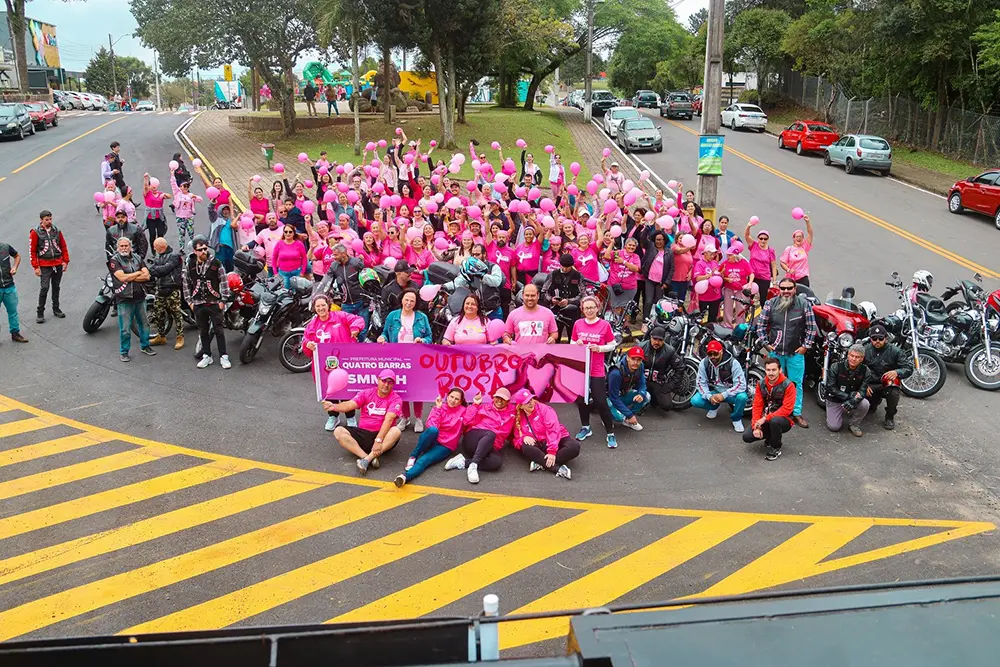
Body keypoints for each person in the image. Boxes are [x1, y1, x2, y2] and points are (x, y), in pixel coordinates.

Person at [755, 276, 818, 428]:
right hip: (775, 353)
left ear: (795, 289)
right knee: (772, 383)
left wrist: (805, 346)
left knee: (796, 384)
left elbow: (812, 328)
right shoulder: (771, 304)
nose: (786, 291)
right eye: (783, 288)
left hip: (795, 353)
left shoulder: (804, 304)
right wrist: (766, 344)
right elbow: (761, 326)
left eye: (789, 288)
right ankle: (772, 411)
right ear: (779, 289)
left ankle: (796, 413)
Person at [302, 293, 365, 431]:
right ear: (314, 308)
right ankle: (333, 416)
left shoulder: (340, 316)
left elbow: (358, 320)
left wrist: (355, 329)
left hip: (344, 361)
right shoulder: (312, 325)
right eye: (317, 306)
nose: (321, 308)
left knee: (346, 390)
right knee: (329, 392)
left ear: (328, 305)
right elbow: (306, 343)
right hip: (324, 366)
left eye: (323, 305)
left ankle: (350, 417)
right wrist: (308, 345)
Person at [326, 369, 403, 474]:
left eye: (390, 382)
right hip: (364, 434)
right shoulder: (366, 393)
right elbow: (349, 405)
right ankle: (366, 457)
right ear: (378, 380)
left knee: (396, 431)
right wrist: (334, 406)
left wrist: (378, 440)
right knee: (338, 431)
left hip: (383, 438)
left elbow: (389, 420)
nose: (386, 385)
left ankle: (367, 460)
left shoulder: (396, 399)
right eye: (384, 381)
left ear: (393, 384)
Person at [378, 288, 432, 433]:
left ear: (416, 303)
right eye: (406, 299)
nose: (408, 303)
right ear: (401, 300)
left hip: (416, 358)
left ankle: (419, 418)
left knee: (416, 388)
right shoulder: (392, 316)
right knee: (401, 388)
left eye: (412, 301)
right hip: (397, 359)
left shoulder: (421, 317)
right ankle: (405, 416)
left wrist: (422, 340)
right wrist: (382, 337)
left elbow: (429, 336)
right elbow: (385, 332)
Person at [394, 388, 467, 487]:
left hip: (445, 446)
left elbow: (470, 420)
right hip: (433, 438)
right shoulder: (440, 407)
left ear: (460, 402)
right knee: (433, 430)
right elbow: (431, 425)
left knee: (424, 460)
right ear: (447, 396)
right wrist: (438, 409)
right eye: (451, 397)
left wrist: (475, 405)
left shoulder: (464, 411)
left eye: (456, 399)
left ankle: (404, 477)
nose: (453, 400)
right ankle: (413, 455)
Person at [572, 295, 618, 448]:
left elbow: (612, 344)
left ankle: (610, 432)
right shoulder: (578, 324)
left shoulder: (604, 325)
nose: (589, 310)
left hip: (596, 369)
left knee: (600, 401)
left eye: (592, 307)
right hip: (581, 369)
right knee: (581, 400)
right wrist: (577, 344)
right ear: (582, 310)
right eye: (586, 308)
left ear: (597, 308)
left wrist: (599, 348)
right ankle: (586, 427)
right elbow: (572, 342)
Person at [444, 388, 515, 483]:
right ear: (493, 398)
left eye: (503, 399)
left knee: (497, 462)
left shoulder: (512, 413)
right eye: (497, 397)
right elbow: (466, 421)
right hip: (472, 439)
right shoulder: (484, 407)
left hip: (489, 446)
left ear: (508, 401)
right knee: (491, 434)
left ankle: (462, 462)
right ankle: (473, 466)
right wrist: (475, 405)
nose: (499, 401)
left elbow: (514, 431)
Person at [182, 235, 231, 369]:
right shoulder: (190, 264)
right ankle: (206, 355)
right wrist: (189, 302)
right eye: (200, 249)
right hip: (198, 304)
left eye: (205, 249)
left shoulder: (216, 263)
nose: (204, 251)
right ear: (195, 251)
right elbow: (185, 282)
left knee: (218, 330)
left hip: (214, 303)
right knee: (203, 331)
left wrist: (223, 300)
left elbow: (224, 281)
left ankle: (223, 356)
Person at [511, 389, 580, 479]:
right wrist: (523, 438)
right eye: (527, 402)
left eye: (531, 399)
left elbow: (553, 430)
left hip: (556, 439)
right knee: (525, 447)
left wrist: (552, 451)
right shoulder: (518, 417)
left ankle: (541, 461)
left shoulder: (544, 409)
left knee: (574, 447)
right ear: (521, 406)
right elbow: (516, 439)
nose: (531, 403)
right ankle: (556, 468)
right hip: (539, 443)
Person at [108, 237, 154, 362]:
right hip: (124, 299)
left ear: (130, 246)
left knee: (144, 324)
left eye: (126, 246)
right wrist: (137, 274)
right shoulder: (114, 260)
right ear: (118, 248)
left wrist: (131, 277)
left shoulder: (138, 258)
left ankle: (145, 346)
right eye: (121, 246)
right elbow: (122, 278)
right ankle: (124, 352)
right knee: (125, 328)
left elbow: (147, 275)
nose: (124, 248)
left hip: (140, 297)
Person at [743, 357, 796, 460]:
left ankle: (776, 447)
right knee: (747, 437)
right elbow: (757, 406)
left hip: (784, 419)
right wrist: (756, 426)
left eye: (774, 370)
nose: (771, 373)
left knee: (774, 421)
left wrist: (764, 419)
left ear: (780, 370)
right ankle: (770, 436)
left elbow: (787, 409)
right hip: (765, 417)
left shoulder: (789, 385)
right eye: (768, 370)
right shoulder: (761, 383)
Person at [863, 324, 913, 430]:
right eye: (874, 338)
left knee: (894, 391)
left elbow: (909, 368)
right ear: (870, 339)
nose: (877, 341)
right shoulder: (865, 350)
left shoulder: (895, 351)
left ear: (886, 338)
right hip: (870, 382)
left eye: (880, 338)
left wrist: (897, 372)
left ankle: (890, 417)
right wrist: (863, 384)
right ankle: (873, 403)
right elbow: (856, 368)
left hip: (886, 384)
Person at [692, 340, 748, 432]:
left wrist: (724, 395)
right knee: (695, 400)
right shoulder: (704, 362)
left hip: (730, 392)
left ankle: (736, 418)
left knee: (742, 397)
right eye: (710, 354)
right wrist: (709, 396)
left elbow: (741, 385)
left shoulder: (733, 363)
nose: (713, 357)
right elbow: (700, 383)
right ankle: (714, 406)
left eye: (716, 354)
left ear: (721, 351)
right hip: (714, 392)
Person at [29, 210, 69, 324]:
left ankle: (56, 308)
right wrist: (35, 267)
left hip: (57, 263)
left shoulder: (57, 231)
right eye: (46, 219)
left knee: (56, 287)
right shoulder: (35, 232)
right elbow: (32, 251)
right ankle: (40, 312)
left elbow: (63, 245)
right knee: (44, 288)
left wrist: (65, 261)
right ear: (41, 220)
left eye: (50, 219)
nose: (49, 221)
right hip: (44, 265)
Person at [825, 343, 872, 436]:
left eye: (857, 357)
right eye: (851, 355)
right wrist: (847, 397)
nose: (853, 359)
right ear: (848, 355)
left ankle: (854, 424)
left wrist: (854, 401)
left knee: (865, 404)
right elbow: (830, 387)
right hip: (835, 399)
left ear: (862, 358)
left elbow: (863, 390)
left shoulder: (866, 371)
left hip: (852, 398)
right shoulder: (836, 366)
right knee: (834, 427)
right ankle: (835, 412)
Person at [326, 244, 371, 340]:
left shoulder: (356, 263)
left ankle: (362, 350)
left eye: (336, 255)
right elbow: (327, 280)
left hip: (361, 302)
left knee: (363, 329)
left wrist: (367, 298)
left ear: (344, 254)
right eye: (333, 255)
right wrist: (322, 293)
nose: (334, 257)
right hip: (346, 304)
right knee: (346, 330)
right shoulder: (334, 266)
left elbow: (368, 280)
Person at [147, 238, 186, 350]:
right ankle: (161, 336)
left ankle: (180, 337)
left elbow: (165, 269)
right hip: (160, 288)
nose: (153, 248)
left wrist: (156, 270)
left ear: (161, 246)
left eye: (155, 246)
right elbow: (154, 269)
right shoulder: (158, 256)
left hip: (172, 288)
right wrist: (156, 270)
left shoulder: (174, 256)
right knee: (158, 313)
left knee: (176, 313)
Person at [638, 326, 682, 413]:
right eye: (655, 339)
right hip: (641, 381)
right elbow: (628, 361)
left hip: (658, 382)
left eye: (660, 340)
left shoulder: (670, 350)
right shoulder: (641, 346)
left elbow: (680, 368)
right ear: (650, 337)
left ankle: (653, 398)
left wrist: (670, 385)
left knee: (667, 405)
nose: (657, 342)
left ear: (664, 340)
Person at [607, 346, 649, 431]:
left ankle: (628, 419)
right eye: (633, 359)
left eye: (639, 360)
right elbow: (614, 398)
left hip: (623, 394)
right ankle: (607, 417)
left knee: (646, 396)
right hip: (609, 399)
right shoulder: (616, 373)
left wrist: (641, 394)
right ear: (627, 358)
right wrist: (629, 414)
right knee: (616, 413)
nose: (636, 362)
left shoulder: (640, 366)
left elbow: (642, 384)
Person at [542, 253, 582, 342]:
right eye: (563, 266)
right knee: (554, 338)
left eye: (567, 267)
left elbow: (582, 295)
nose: (565, 269)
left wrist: (569, 301)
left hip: (572, 311)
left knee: (573, 339)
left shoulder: (578, 276)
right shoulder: (553, 274)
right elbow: (544, 291)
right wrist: (551, 299)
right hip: (556, 310)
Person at [640, 230, 673, 320]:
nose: (659, 241)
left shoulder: (669, 252)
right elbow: (643, 238)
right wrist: (647, 227)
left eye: (661, 239)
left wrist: (666, 282)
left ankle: (657, 319)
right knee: (648, 301)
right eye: (657, 239)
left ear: (664, 240)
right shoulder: (651, 247)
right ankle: (645, 320)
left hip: (661, 282)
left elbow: (671, 269)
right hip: (650, 279)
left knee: (659, 302)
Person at [0, 240, 28, 342]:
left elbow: (17, 256)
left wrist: (15, 267)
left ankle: (15, 334)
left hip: (9, 286)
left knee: (13, 312)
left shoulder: (5, 247)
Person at [744, 221, 777, 302]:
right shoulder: (753, 245)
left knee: (763, 300)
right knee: (747, 299)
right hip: (753, 276)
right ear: (758, 238)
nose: (763, 240)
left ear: (768, 239)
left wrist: (775, 281)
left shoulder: (770, 251)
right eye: (761, 238)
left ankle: (763, 313)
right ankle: (746, 313)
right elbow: (746, 235)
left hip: (764, 278)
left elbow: (774, 266)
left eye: (765, 239)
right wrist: (748, 226)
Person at [779, 214, 814, 286]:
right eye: (797, 237)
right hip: (791, 278)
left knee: (804, 296)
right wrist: (788, 270)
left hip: (803, 278)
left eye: (801, 237)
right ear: (794, 238)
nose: (799, 238)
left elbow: (810, 234)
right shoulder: (789, 249)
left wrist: (807, 222)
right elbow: (782, 263)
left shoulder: (804, 247)